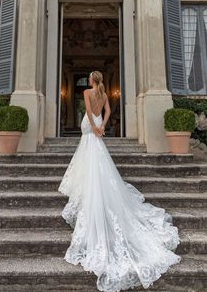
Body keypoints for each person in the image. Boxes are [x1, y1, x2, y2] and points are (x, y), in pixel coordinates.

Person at [58, 70, 181, 292]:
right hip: (96, 123)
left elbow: (86, 109)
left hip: (89, 124)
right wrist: (102, 124)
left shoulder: (87, 91)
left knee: (88, 150)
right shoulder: (104, 95)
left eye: (89, 78)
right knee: (96, 153)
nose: (88, 81)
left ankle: (85, 186)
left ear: (91, 80)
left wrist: (93, 126)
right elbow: (107, 111)